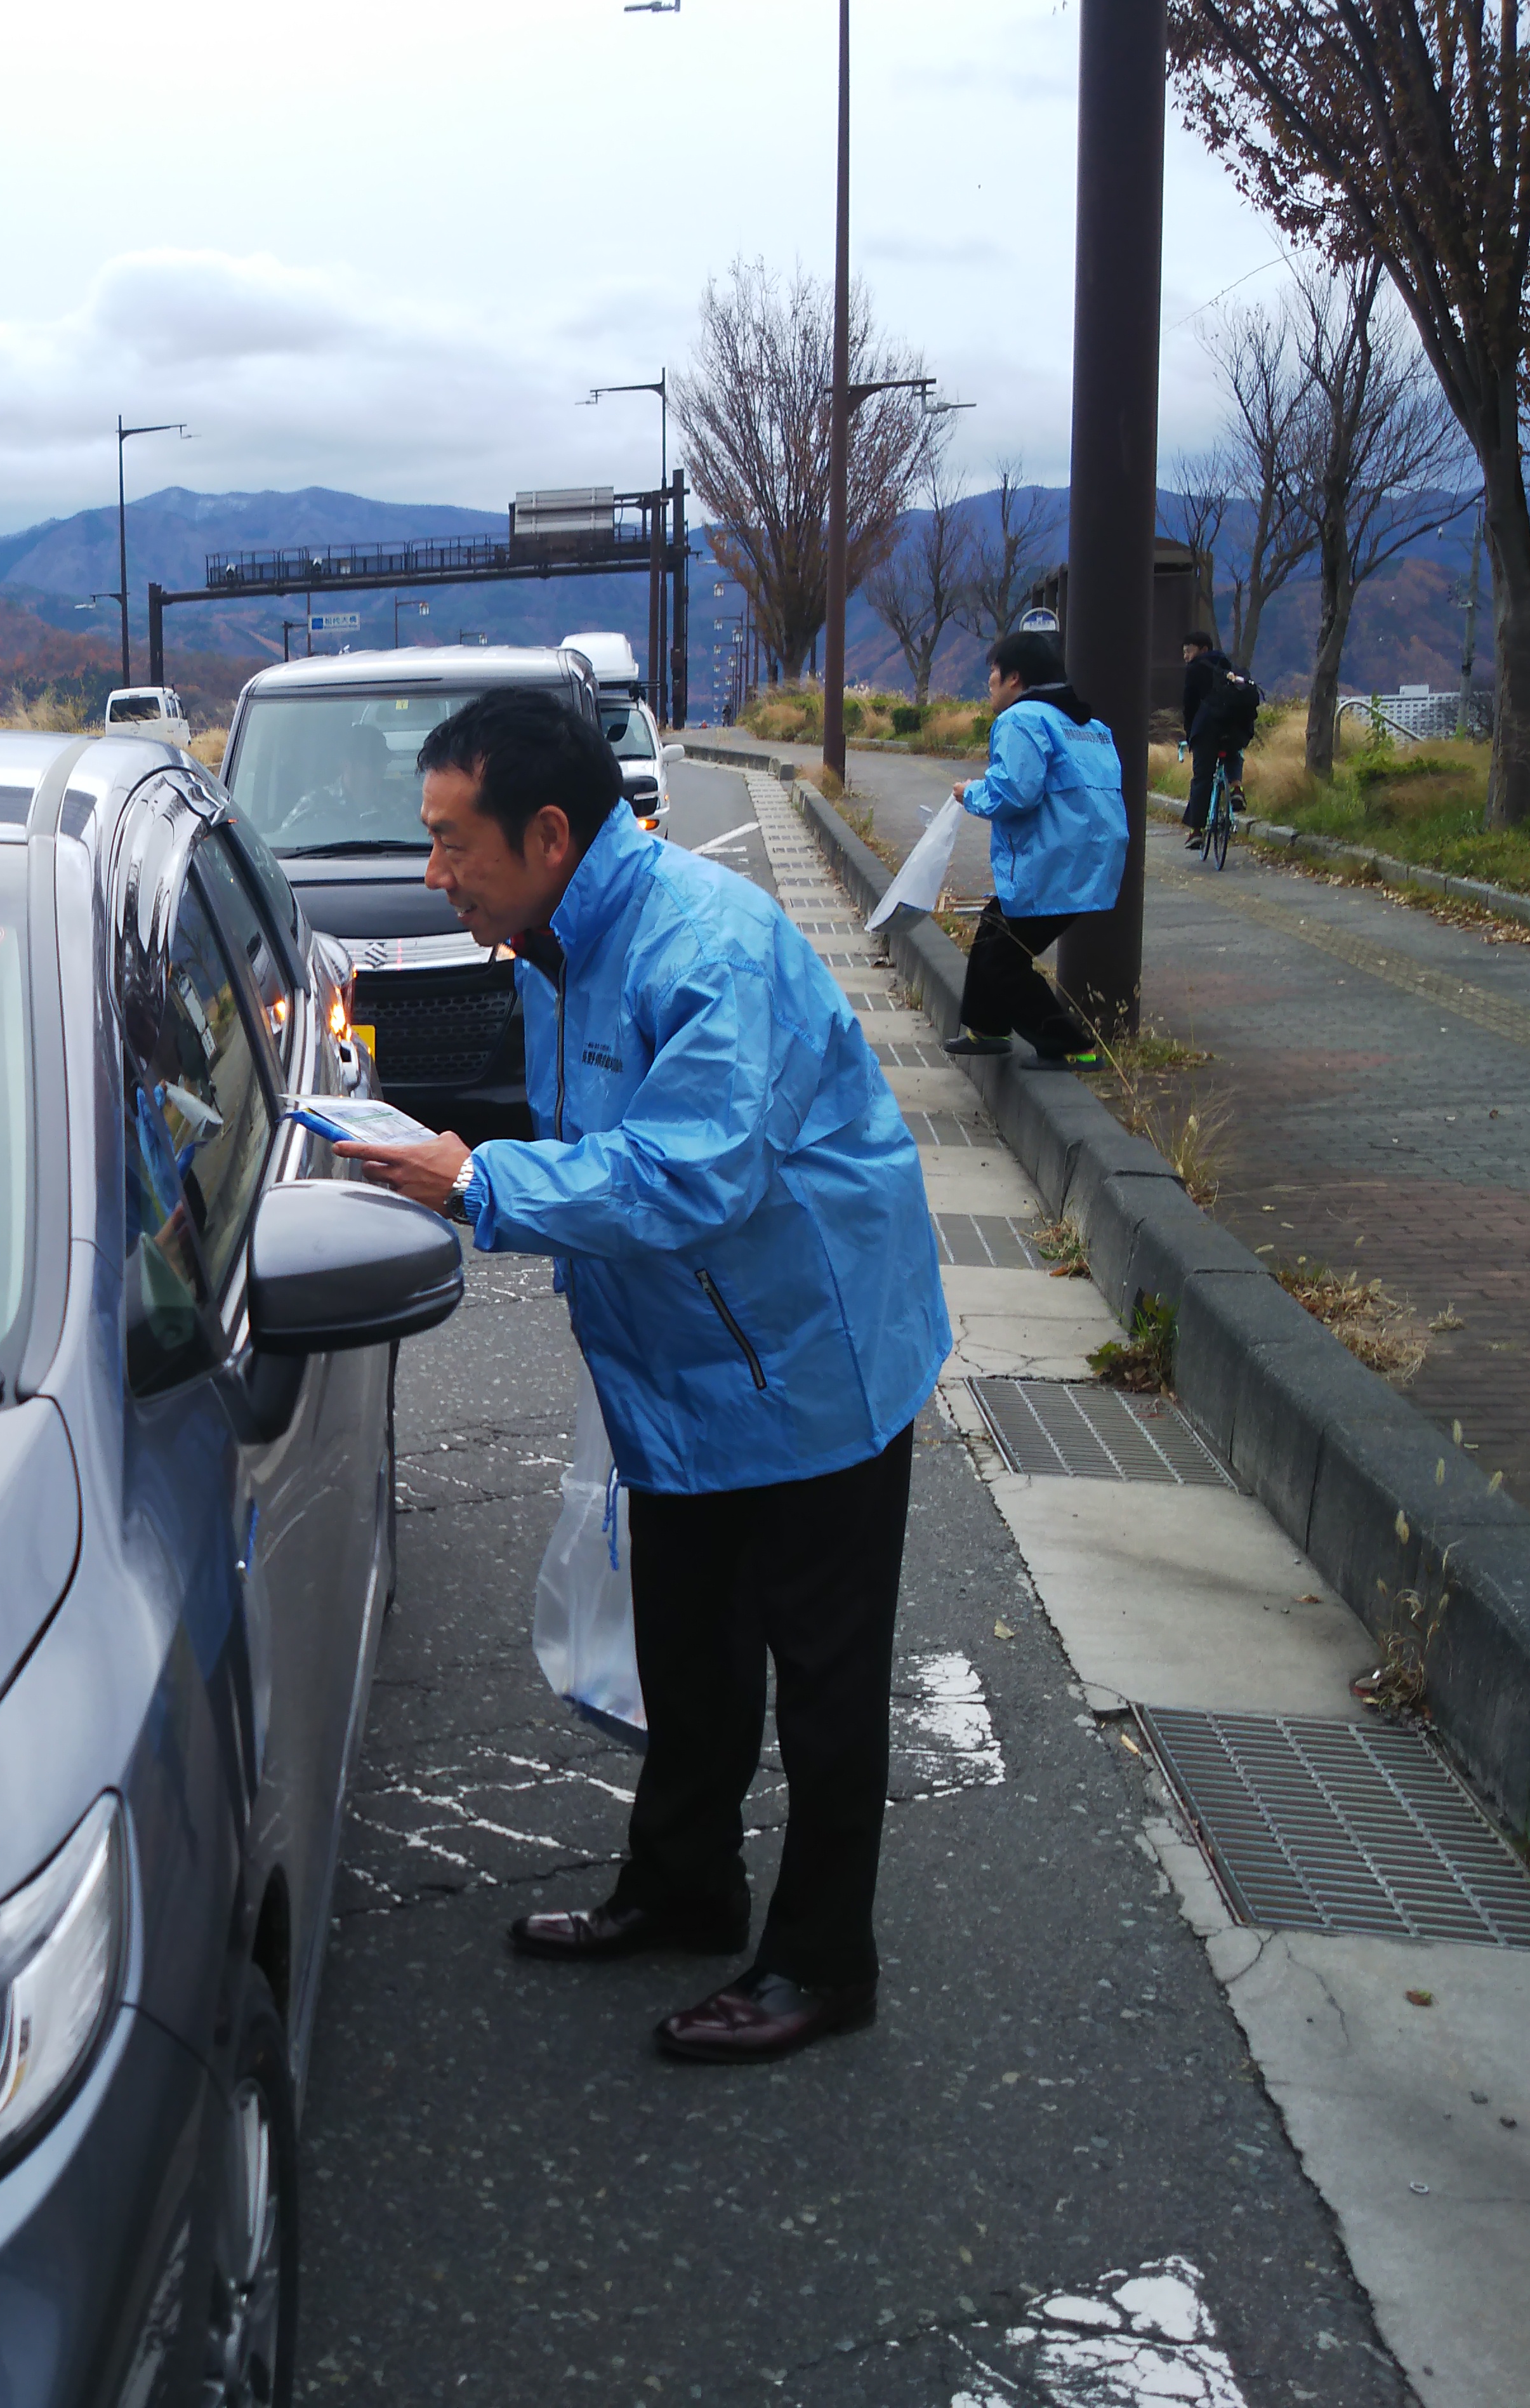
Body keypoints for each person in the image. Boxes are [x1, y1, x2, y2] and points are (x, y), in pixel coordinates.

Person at [330, 685, 954, 2065]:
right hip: (686, 1358)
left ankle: (819, 1962)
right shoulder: (561, 938)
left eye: (449, 845)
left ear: (547, 834)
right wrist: (422, 1135)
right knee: (690, 1644)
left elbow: (691, 1170)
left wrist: (477, 1179)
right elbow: (578, 1123)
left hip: (806, 1357)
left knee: (824, 1678)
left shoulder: (699, 945)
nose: (432, 878)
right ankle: (681, 1888)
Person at [946, 628, 1125, 1067]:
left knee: (1003, 956)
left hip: (1052, 863)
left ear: (1015, 679)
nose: (989, 680)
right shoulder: (1090, 727)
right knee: (995, 929)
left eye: (994, 670)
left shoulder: (1022, 720)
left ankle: (1071, 1045)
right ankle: (987, 1028)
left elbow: (1015, 792)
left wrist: (970, 792)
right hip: (1093, 862)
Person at [1177, 630, 1257, 846]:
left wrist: (1191, 733)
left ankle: (1196, 832)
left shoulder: (1195, 670)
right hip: (1235, 728)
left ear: (1203, 650)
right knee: (1233, 752)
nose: (1186, 657)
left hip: (1206, 730)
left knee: (1202, 778)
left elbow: (1189, 706)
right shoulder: (1229, 666)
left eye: (1188, 651)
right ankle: (1236, 787)